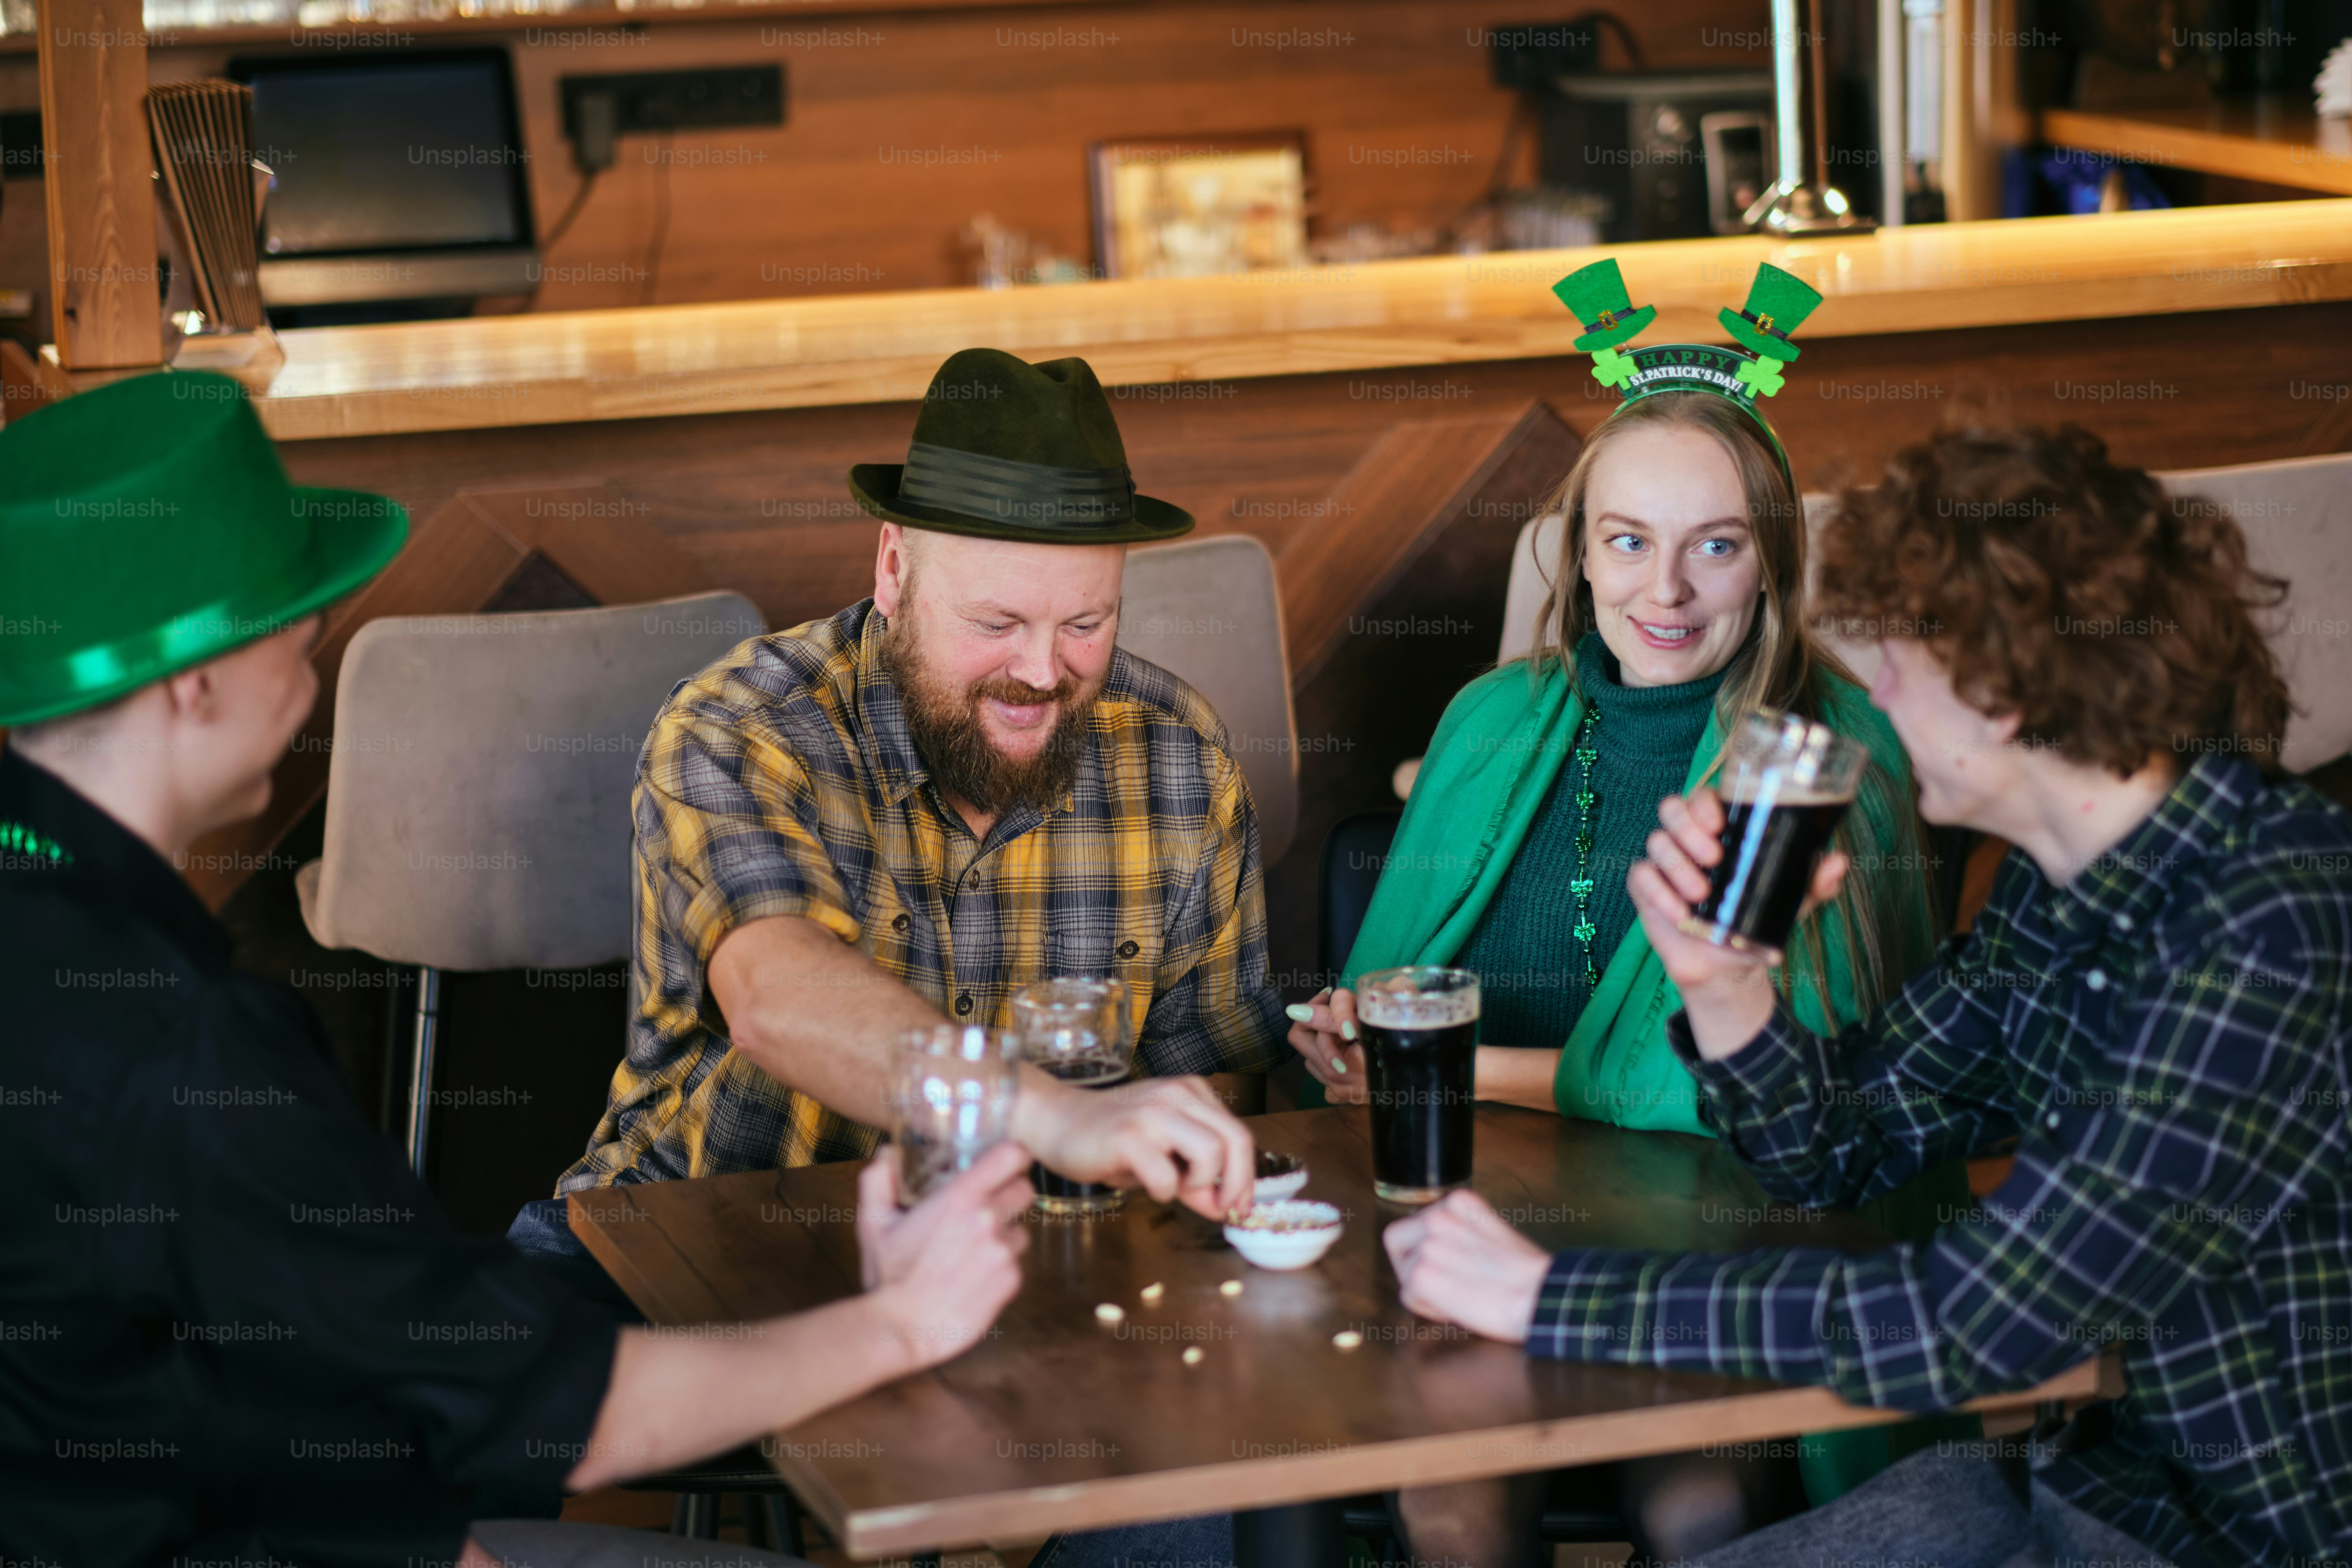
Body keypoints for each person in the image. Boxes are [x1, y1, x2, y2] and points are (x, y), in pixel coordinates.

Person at [0, 371, 1036, 1568]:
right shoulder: (188, 1051)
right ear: (197, 682)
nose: (316, 649)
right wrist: (903, 1318)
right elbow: (566, 1413)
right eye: (303, 620)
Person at [1386, 421, 2352, 1568]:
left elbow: (1972, 1320)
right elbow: (1842, 1147)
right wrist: (1730, 986)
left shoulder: (2267, 923)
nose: (1873, 694)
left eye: (1897, 661)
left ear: (1997, 691)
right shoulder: (2057, 898)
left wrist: (1548, 1295)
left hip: (2248, 1531)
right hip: (2085, 1477)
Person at [1285, 259, 1963, 1565]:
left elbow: (1752, 1095)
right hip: (1467, 1225)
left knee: (1694, 1493)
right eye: (1628, 541)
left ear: (1770, 561)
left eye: (1715, 544)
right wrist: (1342, 1038)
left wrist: (1445, 1067)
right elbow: (1380, 1017)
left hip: (1718, 1241)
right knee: (1450, 1497)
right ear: (1579, 551)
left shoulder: (1823, 749)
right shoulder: (1491, 718)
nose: (1667, 590)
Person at [517, 347, 1278, 1297]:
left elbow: (1216, 1079)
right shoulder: (742, 730)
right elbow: (775, 997)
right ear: (893, 571)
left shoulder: (1180, 756)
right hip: (699, 1248)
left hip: (1031, 1266)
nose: (1041, 673)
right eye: (996, 623)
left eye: (1085, 625)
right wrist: (1048, 1115)